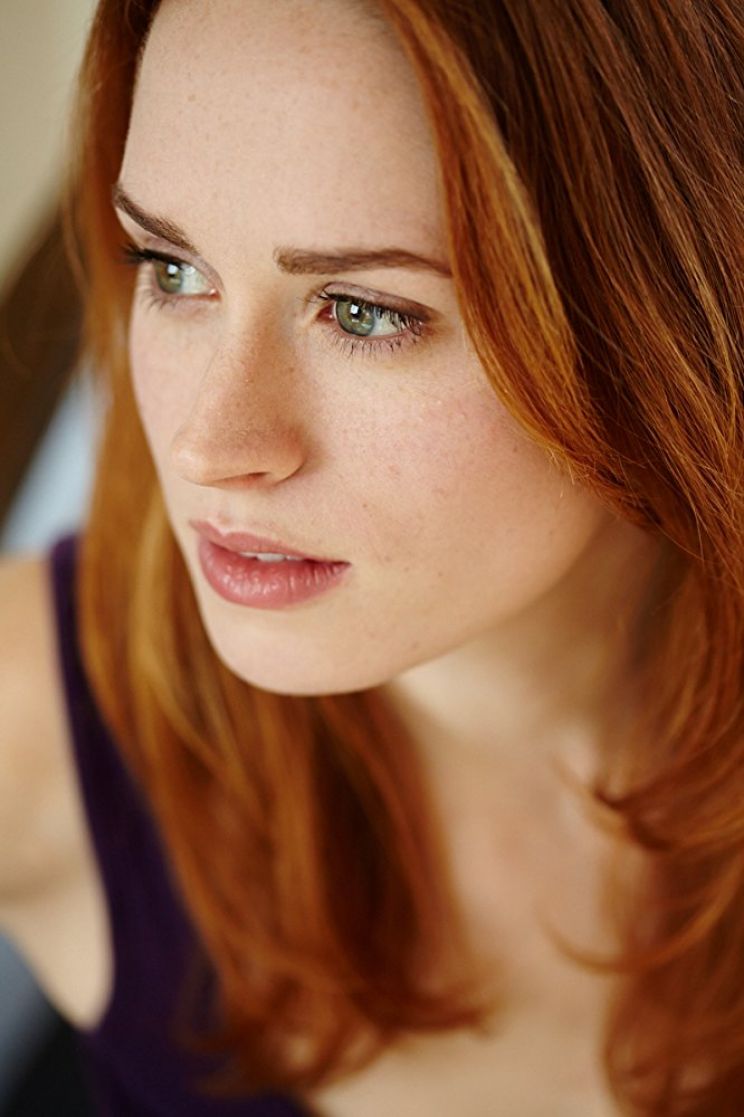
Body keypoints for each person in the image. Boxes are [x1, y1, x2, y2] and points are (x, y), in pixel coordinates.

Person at [0, 0, 741, 1113]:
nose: (208, 445)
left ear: (672, 313)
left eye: (363, 311)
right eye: (172, 269)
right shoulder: (36, 714)